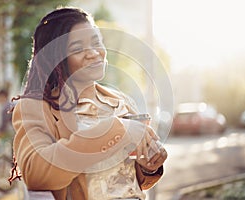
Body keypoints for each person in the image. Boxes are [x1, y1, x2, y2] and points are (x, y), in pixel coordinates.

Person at [9, 6, 167, 200]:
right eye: (77, 49)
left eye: (96, 42)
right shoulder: (35, 108)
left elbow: (131, 180)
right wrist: (116, 129)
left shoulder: (121, 102)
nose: (94, 53)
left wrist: (149, 167)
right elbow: (36, 173)